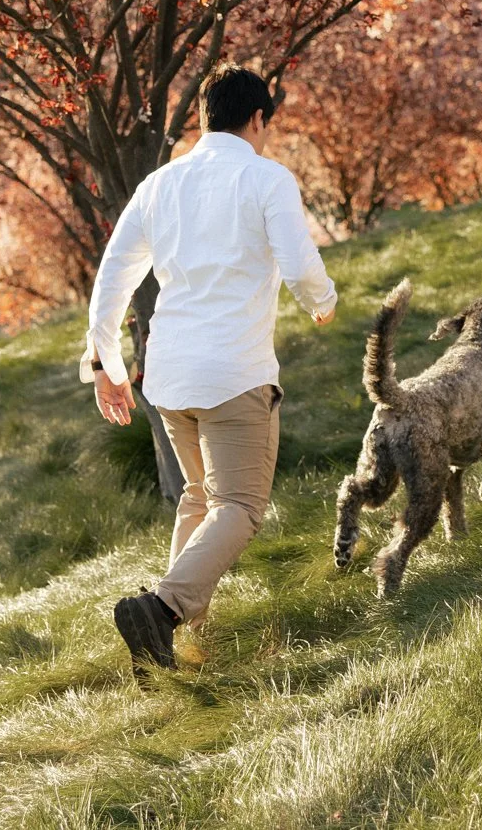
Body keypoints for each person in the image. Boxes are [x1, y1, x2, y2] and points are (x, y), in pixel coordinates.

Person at [86, 64, 336, 668]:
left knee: (199, 497)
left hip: (169, 375)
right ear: (257, 119)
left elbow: (114, 273)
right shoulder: (266, 177)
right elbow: (301, 266)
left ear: (202, 117)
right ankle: (163, 609)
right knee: (241, 507)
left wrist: (104, 362)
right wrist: (323, 305)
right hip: (234, 374)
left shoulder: (159, 183)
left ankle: (173, 639)